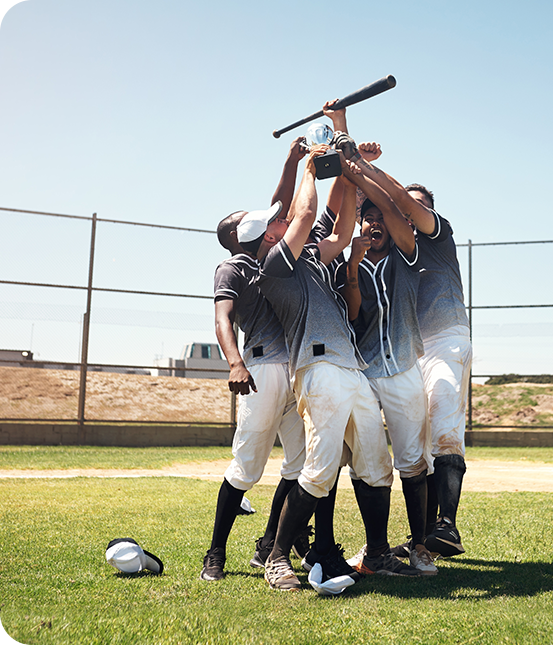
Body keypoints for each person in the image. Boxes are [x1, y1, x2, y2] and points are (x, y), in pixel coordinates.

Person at [241, 144, 420, 591]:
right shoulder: (274, 266)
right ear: (267, 238)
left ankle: (376, 553)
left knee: (377, 464)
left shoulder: (313, 261)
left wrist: (346, 165)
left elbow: (340, 227)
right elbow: (302, 216)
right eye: (273, 224)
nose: (280, 220)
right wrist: (308, 170)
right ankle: (277, 558)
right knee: (320, 469)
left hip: (350, 368)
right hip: (318, 367)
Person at [351, 145, 472, 558]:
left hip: (446, 338)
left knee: (443, 424)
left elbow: (396, 199)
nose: (409, 212)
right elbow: (363, 200)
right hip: (411, 351)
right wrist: (346, 139)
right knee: (418, 446)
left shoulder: (436, 235)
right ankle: (425, 539)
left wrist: (368, 166)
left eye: (417, 208)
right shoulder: (395, 249)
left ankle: (447, 526)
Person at [200, 139, 312, 582]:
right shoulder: (232, 268)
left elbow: (281, 205)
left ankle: (270, 544)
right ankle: (215, 553)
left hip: (299, 370)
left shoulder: (272, 257)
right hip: (262, 370)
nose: (273, 223)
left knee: (303, 464)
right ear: (237, 237)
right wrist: (233, 362)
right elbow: (222, 319)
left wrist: (292, 161)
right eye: (259, 224)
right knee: (246, 468)